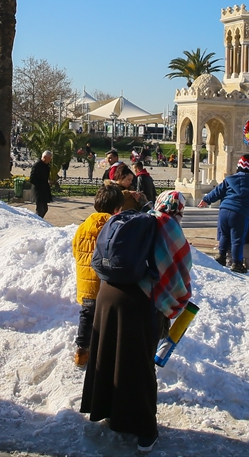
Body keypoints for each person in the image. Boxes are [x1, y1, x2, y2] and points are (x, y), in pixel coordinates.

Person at [81, 190, 192, 453]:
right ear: (178, 209)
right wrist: (175, 304)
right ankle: (145, 430)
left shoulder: (138, 220)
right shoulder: (169, 227)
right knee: (139, 365)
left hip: (107, 294)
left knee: (110, 356)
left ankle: (110, 412)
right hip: (138, 302)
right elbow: (179, 272)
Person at [71, 183, 124, 366]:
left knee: (86, 316)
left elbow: (75, 250)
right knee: (106, 320)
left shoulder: (83, 227)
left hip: (86, 283)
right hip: (103, 285)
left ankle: (81, 352)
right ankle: (104, 353)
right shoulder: (112, 227)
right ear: (117, 209)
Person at [197, 154, 249, 274]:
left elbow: (217, 192)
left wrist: (206, 200)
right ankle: (237, 263)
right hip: (240, 213)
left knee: (225, 235)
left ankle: (221, 256)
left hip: (224, 210)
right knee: (238, 239)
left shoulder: (229, 179)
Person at [29, 150, 53, 219]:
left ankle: (39, 220)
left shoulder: (47, 166)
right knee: (40, 210)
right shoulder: (37, 165)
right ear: (44, 157)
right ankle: (36, 221)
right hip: (38, 191)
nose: (50, 160)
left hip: (44, 191)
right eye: (49, 158)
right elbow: (32, 178)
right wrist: (41, 184)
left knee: (45, 209)